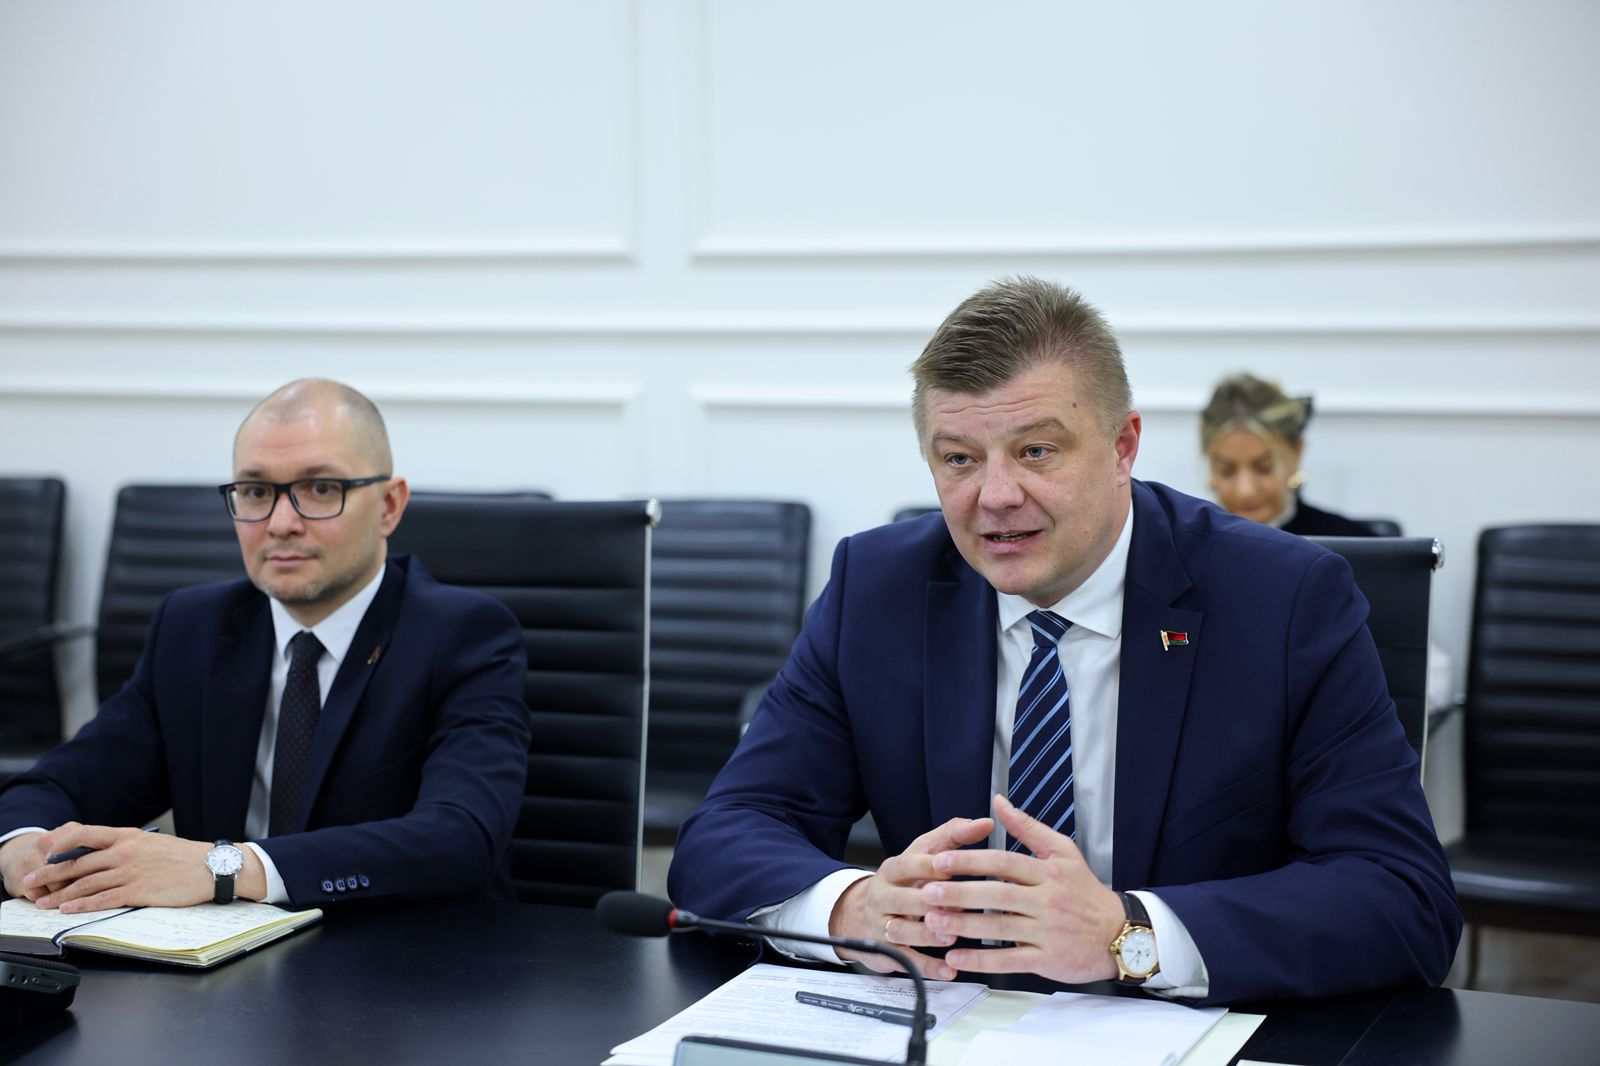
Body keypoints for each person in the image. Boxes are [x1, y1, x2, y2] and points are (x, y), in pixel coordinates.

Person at [669, 277, 1460, 1005]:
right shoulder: (877, 590)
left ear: (1123, 446)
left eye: (1036, 451)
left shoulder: (1283, 599)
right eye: (959, 459)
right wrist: (853, 909)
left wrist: (1128, 935)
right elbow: (726, 832)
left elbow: (1402, 896)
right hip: (951, 1024)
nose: (995, 496)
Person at [0, 379, 531, 912]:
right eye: (255, 492)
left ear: (389, 506)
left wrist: (225, 867)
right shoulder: (192, 627)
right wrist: (25, 847)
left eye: (320, 489)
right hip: (220, 952)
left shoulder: (464, 635)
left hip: (406, 950)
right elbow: (62, 783)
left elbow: (461, 836)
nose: (281, 524)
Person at [1200, 372, 1377, 536]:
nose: (1246, 491)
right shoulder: (1190, 546)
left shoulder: (1352, 544)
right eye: (1227, 470)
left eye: (1264, 468)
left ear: (1297, 453)